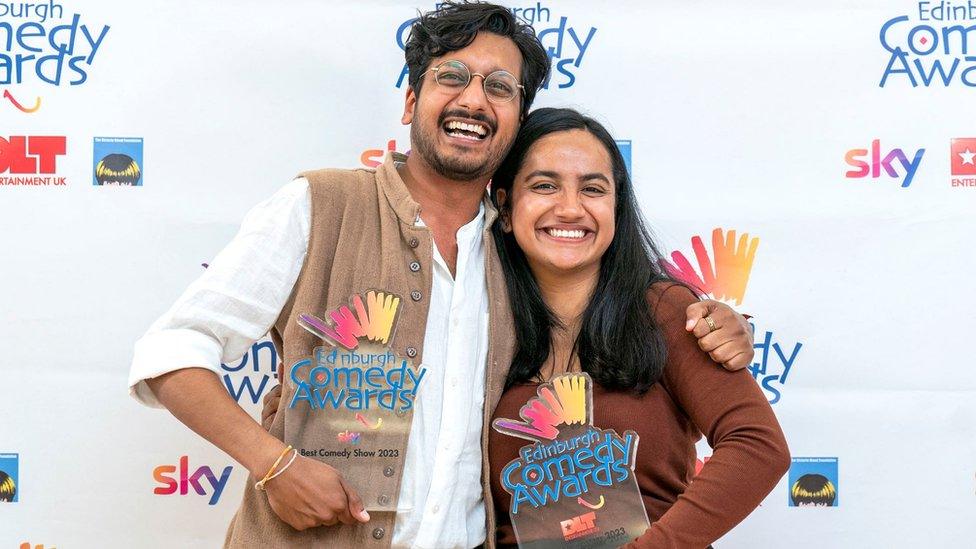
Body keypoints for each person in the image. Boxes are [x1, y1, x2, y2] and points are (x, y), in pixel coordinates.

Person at [127, 3, 755, 548]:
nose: (474, 99)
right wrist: (274, 463)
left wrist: (718, 319)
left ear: (515, 122)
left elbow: (605, 311)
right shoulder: (318, 206)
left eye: (500, 88)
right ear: (410, 101)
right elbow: (173, 351)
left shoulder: (518, 254)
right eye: (451, 76)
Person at [486, 108, 790, 547]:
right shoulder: (481, 323)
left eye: (593, 189)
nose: (570, 208)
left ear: (616, 208)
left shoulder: (664, 312)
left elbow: (757, 445)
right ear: (506, 207)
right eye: (544, 186)